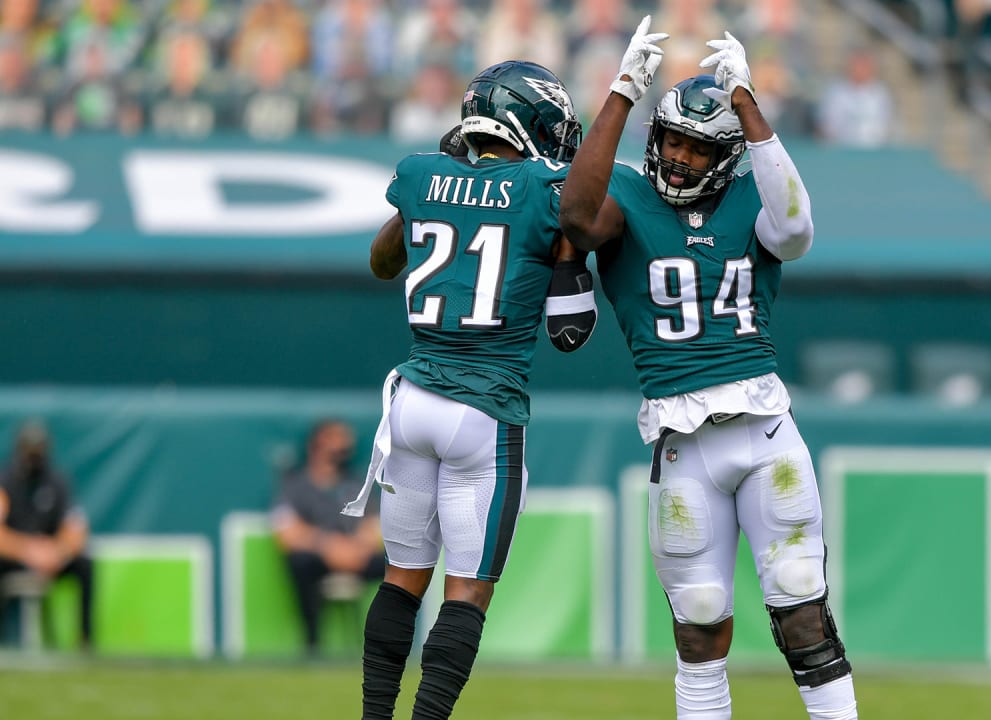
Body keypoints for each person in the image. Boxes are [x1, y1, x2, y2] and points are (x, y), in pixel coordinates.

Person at [559, 17, 858, 720]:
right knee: (698, 622)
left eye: (700, 148)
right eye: (675, 142)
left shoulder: (754, 197)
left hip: (762, 432)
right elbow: (575, 215)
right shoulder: (627, 197)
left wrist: (750, 103)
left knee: (801, 609)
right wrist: (622, 94)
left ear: (727, 156)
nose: (683, 159)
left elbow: (798, 230)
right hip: (680, 438)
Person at [343, 59, 595, 720]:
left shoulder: (423, 174)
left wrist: (446, 187)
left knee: (401, 580)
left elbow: (380, 261)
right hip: (482, 411)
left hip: (413, 402)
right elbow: (573, 327)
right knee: (466, 594)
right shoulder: (546, 187)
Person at [272, 417, 383, 657]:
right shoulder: (295, 484)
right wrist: (326, 545)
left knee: (397, 567)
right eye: (334, 439)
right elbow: (286, 532)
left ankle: (387, 642)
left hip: (356, 556)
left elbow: (372, 526)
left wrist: (355, 549)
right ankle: (312, 644)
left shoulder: (356, 483)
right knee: (300, 562)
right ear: (316, 444)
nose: (341, 447)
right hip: (317, 557)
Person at [0, 420, 94, 651]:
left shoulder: (57, 483)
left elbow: (76, 528)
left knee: (85, 566)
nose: (34, 457)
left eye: (38, 450)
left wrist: (57, 552)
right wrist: (27, 550)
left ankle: (85, 639)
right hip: (15, 559)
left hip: (50, 558)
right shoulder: (5, 482)